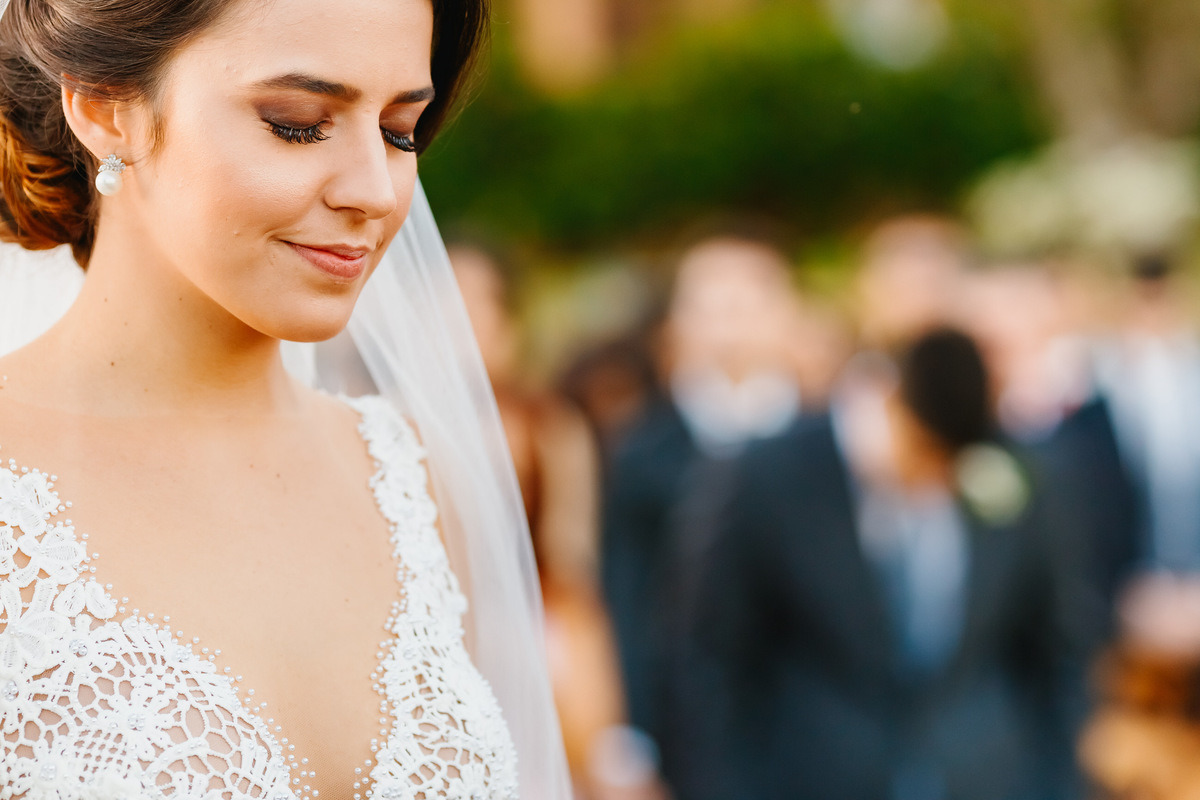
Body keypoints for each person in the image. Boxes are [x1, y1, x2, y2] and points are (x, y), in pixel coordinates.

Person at [0, 1, 569, 798]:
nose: (375, 191)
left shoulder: (410, 477)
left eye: (400, 130)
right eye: (299, 122)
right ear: (105, 108)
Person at [669, 329, 1088, 800]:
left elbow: (1059, 647)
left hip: (985, 779)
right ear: (886, 398)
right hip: (812, 779)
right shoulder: (764, 477)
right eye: (922, 452)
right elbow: (714, 661)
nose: (934, 480)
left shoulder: (1020, 480)